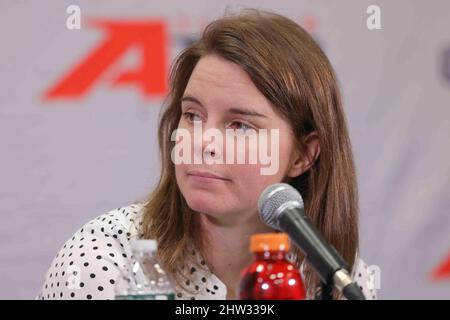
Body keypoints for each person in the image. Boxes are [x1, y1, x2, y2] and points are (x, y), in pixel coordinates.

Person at [38, 9, 377, 300]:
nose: (203, 142)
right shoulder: (102, 260)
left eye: (240, 125)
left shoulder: (336, 275)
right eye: (193, 116)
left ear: (303, 155)